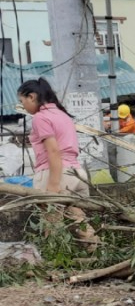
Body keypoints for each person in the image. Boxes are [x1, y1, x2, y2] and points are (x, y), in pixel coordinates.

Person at [17, 79, 97, 246]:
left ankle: (51, 264)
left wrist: (53, 185)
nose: (22, 106)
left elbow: (53, 151)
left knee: (51, 222)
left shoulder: (40, 117)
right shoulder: (63, 115)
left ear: (31, 97)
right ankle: (97, 249)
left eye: (22, 101)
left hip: (56, 174)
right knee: (78, 218)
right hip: (76, 173)